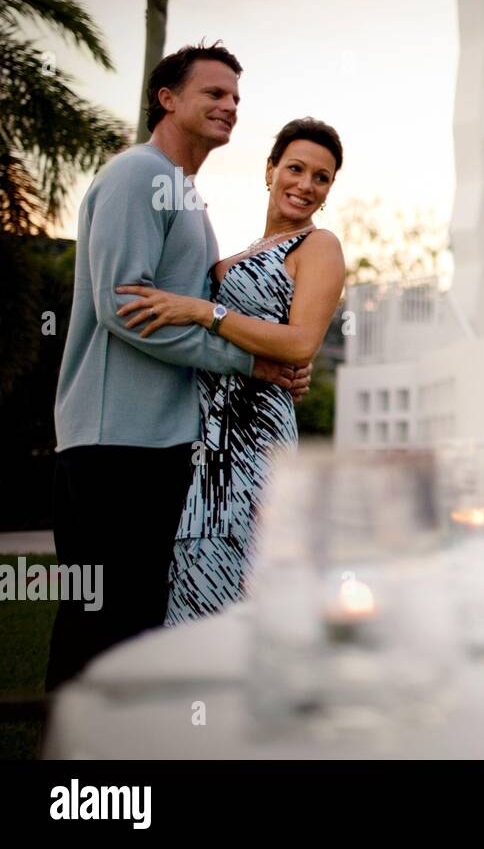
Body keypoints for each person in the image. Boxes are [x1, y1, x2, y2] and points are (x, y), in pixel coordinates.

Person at [47, 43, 308, 689]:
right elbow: (123, 308)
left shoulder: (186, 195)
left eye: (237, 99)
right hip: (114, 443)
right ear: (167, 99)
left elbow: (198, 310)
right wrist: (247, 361)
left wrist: (274, 355)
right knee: (100, 626)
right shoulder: (138, 176)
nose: (230, 107)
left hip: (162, 445)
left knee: (136, 625)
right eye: (214, 94)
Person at [114, 118, 346, 623]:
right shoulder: (232, 257)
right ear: (270, 171)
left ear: (329, 191)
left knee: (244, 585)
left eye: (321, 178)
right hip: (200, 438)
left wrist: (204, 311)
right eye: (296, 169)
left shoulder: (318, 246)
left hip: (255, 439)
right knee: (193, 580)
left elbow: (301, 343)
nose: (305, 185)